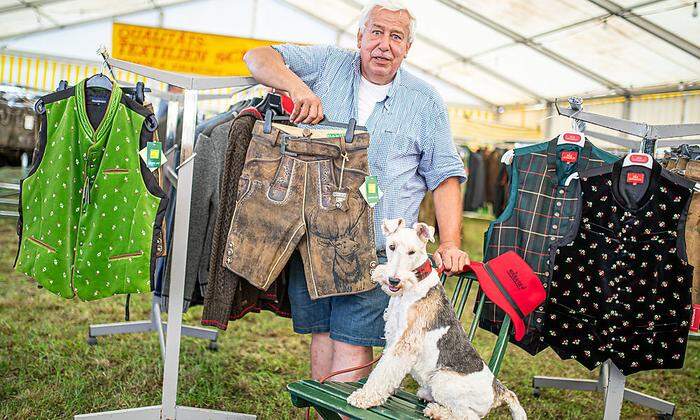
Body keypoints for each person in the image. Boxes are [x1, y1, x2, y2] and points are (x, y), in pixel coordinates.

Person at [243, 0, 469, 383]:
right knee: (324, 334)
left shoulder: (425, 101)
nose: (384, 44)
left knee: (351, 340)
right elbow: (256, 57)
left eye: (396, 36)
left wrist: (450, 242)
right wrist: (299, 88)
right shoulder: (327, 64)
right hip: (313, 238)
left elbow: (444, 175)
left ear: (407, 48)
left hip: (375, 247)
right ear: (360, 36)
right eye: (376, 32)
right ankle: (323, 409)